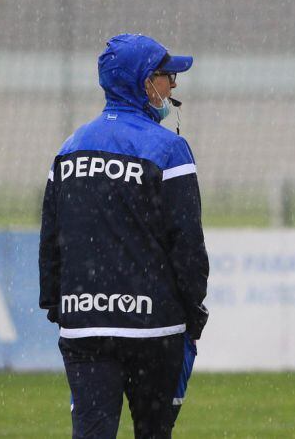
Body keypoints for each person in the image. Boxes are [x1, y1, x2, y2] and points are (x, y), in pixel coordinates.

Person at [39, 33, 209, 439]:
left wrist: (58, 305)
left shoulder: (69, 148)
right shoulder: (169, 149)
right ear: (145, 82)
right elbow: (186, 244)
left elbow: (51, 241)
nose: (174, 86)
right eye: (168, 76)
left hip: (85, 328)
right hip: (154, 330)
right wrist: (194, 311)